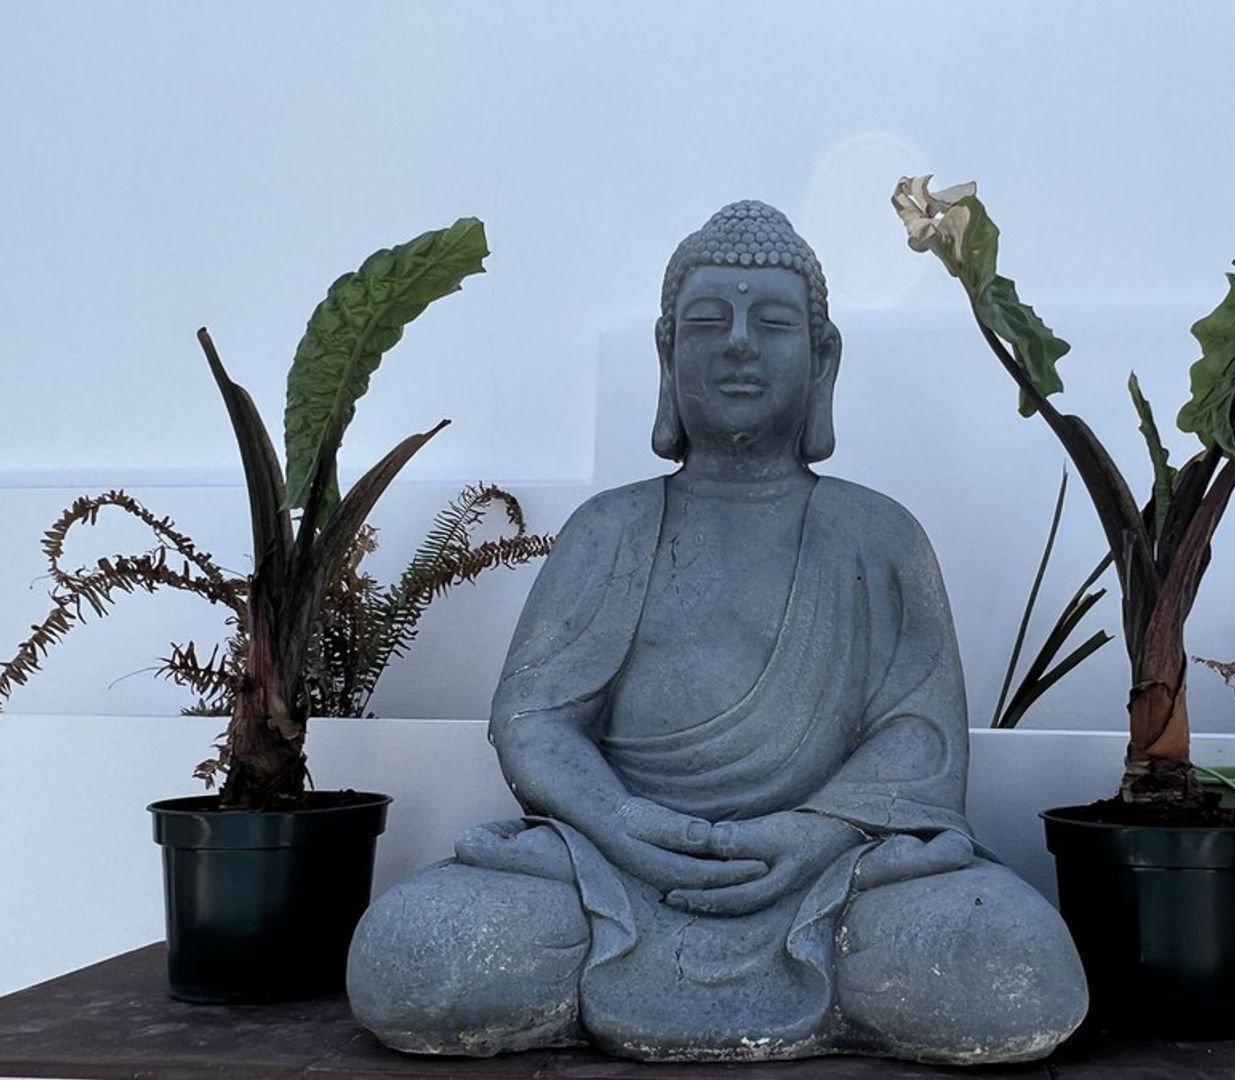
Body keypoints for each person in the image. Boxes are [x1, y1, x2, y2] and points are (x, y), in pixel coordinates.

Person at [346, 201, 1087, 1064]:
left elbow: (918, 741)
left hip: (829, 876)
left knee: (1011, 965)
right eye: (708, 321)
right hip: (610, 872)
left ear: (822, 357)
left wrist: (814, 832)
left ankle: (812, 962)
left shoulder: (877, 534)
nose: (739, 342)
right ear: (667, 355)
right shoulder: (610, 528)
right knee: (415, 954)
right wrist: (619, 823)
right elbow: (534, 722)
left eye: (772, 322)